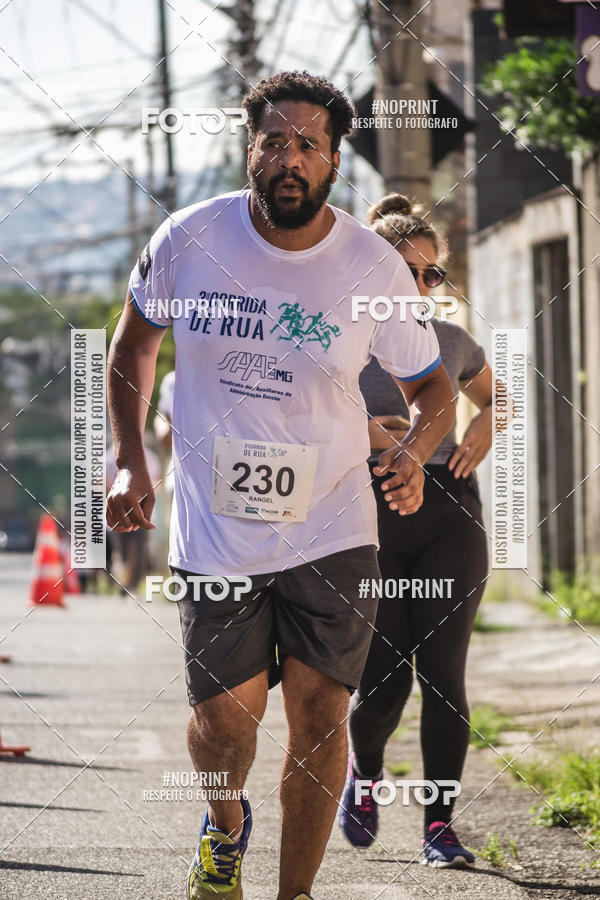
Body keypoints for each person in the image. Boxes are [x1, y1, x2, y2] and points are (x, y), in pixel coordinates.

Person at [106, 72, 455, 900]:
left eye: (309, 144)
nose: (289, 158)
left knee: (321, 716)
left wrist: (414, 453)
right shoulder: (189, 238)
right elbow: (132, 348)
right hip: (215, 528)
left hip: (334, 525)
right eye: (274, 141)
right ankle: (225, 825)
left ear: (334, 160)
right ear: (249, 148)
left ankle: (293, 895)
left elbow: (434, 390)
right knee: (224, 722)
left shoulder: (373, 265)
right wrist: (129, 458)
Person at [339, 193, 492, 868]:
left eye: (433, 274)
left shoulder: (451, 342)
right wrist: (376, 434)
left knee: (444, 677)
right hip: (368, 521)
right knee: (383, 685)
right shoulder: (340, 341)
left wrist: (485, 425)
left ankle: (439, 826)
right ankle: (365, 770)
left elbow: (497, 394)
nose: (423, 285)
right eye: (409, 271)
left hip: (449, 517)